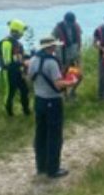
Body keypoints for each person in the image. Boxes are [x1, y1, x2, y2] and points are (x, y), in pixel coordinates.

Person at [28, 36, 77, 179]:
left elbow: (29, 78)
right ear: (50, 48)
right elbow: (58, 84)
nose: (55, 48)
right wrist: (71, 82)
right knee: (54, 136)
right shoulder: (51, 63)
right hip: (52, 101)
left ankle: (41, 166)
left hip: (39, 100)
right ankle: (53, 169)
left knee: (40, 134)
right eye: (54, 46)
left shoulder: (33, 60)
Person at [0, 19, 30, 116]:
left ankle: (26, 110)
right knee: (10, 92)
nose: (22, 34)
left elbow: (20, 55)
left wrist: (27, 58)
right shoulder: (6, 42)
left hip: (18, 70)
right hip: (9, 72)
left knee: (24, 90)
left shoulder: (16, 43)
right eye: (21, 32)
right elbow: (8, 62)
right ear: (16, 31)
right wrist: (23, 63)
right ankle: (9, 113)